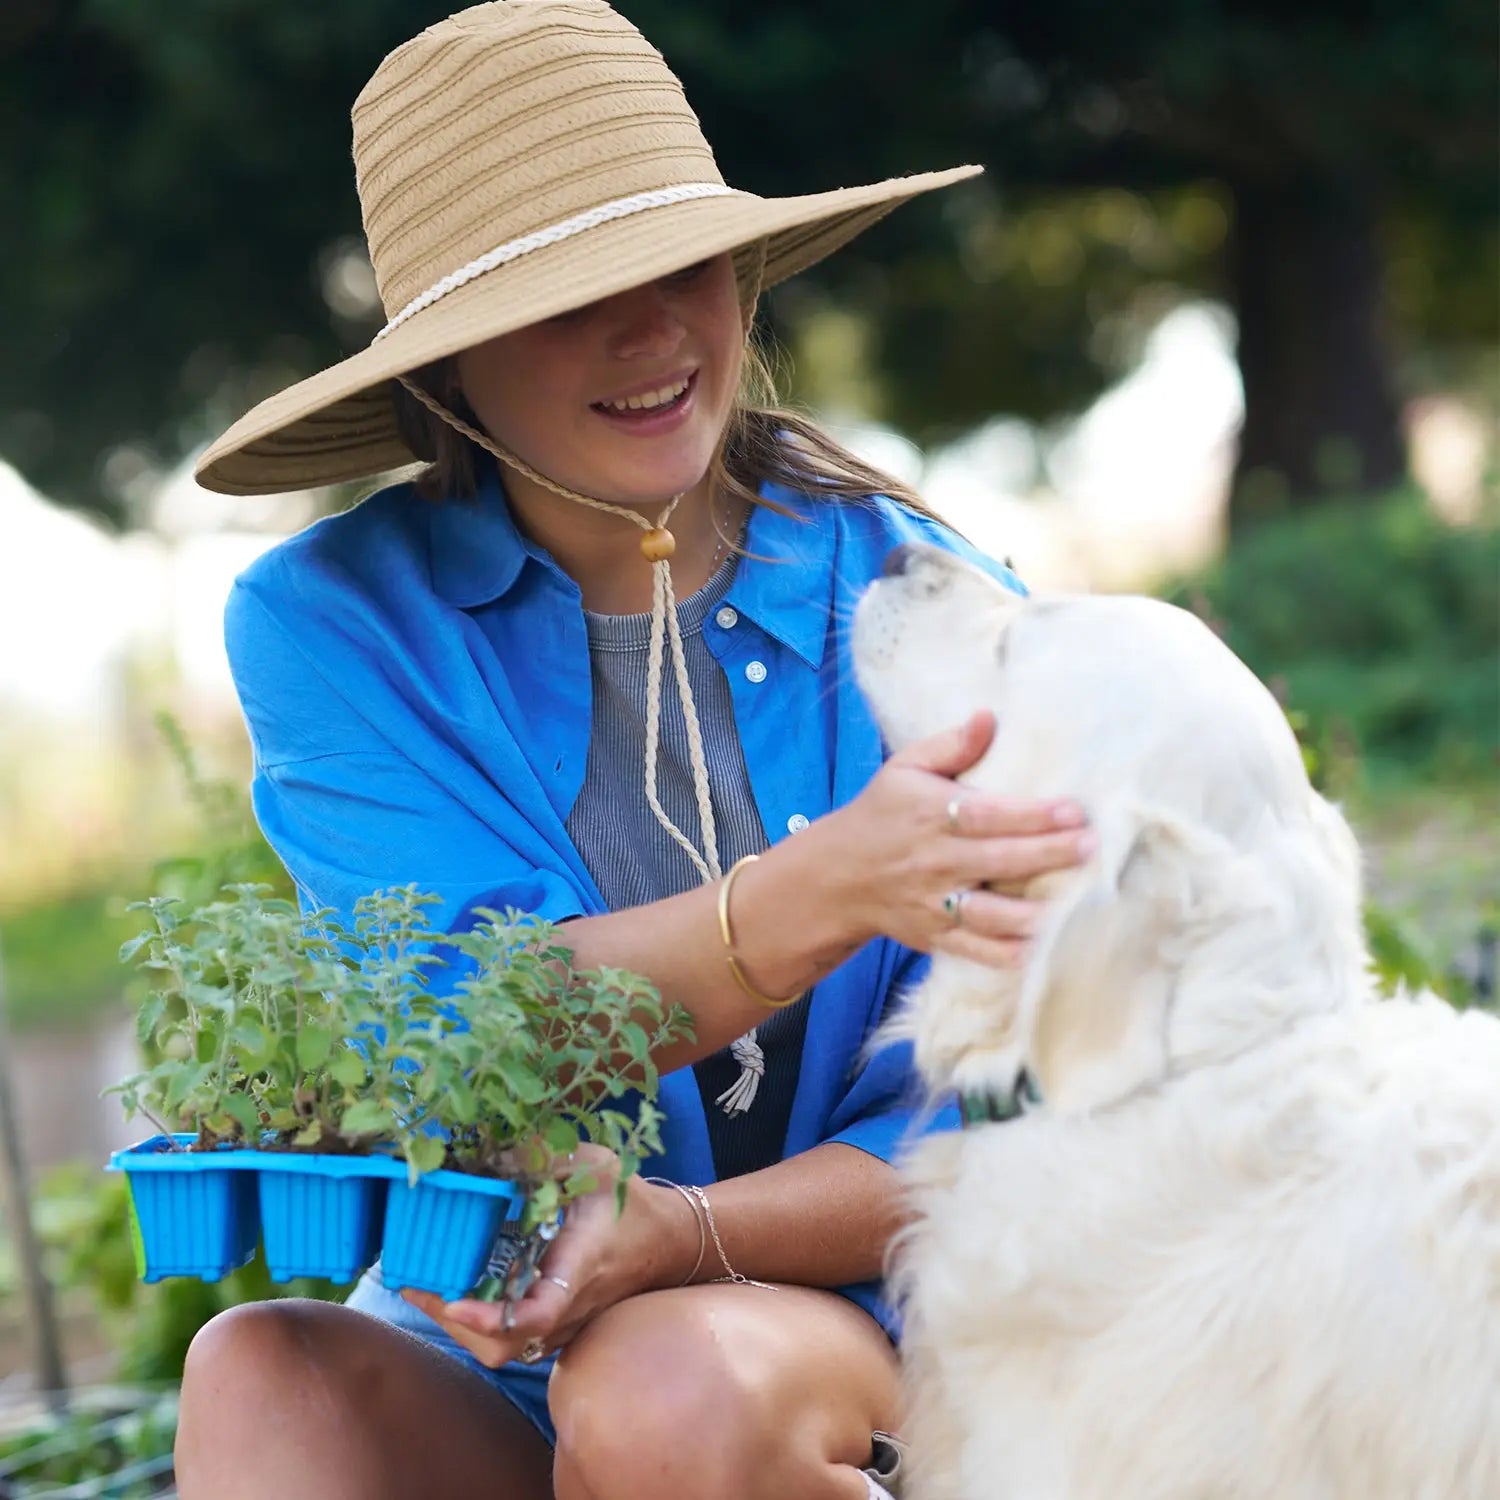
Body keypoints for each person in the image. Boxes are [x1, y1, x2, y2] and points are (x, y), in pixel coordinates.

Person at [176, 4, 1093, 1497]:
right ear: (446, 372)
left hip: (887, 1308)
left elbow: (1016, 1120)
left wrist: (689, 1237)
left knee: (666, 1385)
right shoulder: (332, 627)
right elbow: (463, 1026)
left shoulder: (929, 610)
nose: (652, 330)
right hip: (512, 1329)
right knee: (261, 1378)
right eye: (567, 300)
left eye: (683, 265)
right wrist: (810, 900)